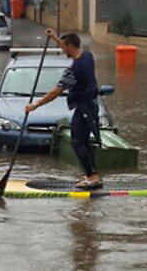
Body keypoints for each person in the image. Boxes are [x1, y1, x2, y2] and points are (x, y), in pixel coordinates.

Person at [25, 29, 102, 189]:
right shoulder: (88, 57)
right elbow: (68, 47)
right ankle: (93, 174)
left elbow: (55, 92)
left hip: (84, 109)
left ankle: (93, 177)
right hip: (91, 106)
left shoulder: (73, 71)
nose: (62, 49)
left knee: (77, 142)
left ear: (69, 47)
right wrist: (54, 37)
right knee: (85, 142)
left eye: (63, 47)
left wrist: (35, 105)